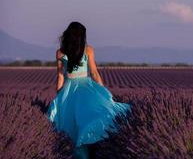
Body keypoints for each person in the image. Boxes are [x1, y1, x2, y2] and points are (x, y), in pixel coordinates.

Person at [47, 22, 131, 159]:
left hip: (69, 91)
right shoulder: (88, 50)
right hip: (87, 88)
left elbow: (60, 76)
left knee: (72, 124)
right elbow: (94, 73)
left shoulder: (60, 52)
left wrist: (59, 95)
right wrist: (104, 93)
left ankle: (81, 154)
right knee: (89, 118)